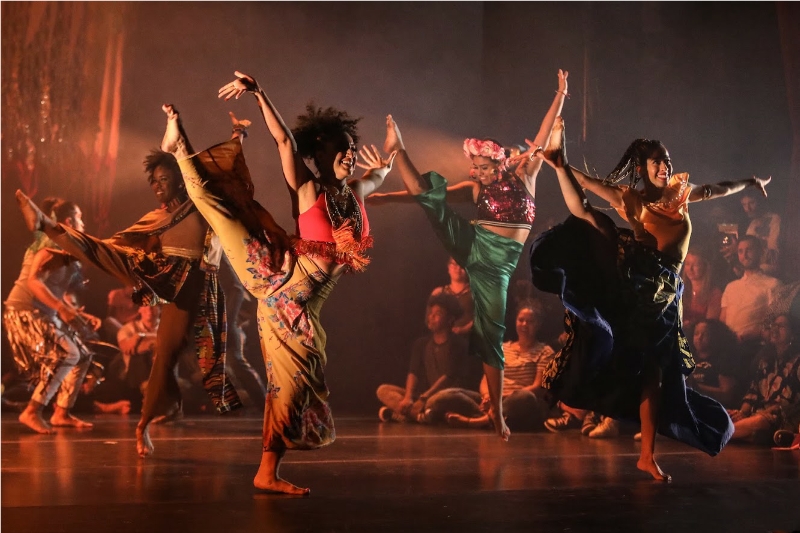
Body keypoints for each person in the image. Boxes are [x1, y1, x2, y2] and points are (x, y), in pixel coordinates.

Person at [161, 70, 394, 494]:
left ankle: (267, 471)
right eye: (342, 148)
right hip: (280, 281)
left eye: (352, 148)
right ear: (321, 153)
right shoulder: (307, 189)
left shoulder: (357, 191)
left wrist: (388, 164)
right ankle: (179, 149)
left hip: (310, 304)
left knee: (298, 384)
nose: (350, 154)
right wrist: (259, 93)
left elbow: (378, 176)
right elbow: (284, 141)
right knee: (225, 211)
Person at [530, 116, 770, 480]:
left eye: (667, 161)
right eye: (657, 161)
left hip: (668, 297)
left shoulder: (681, 194)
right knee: (593, 220)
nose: (665, 167)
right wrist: (560, 164)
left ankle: (646, 456)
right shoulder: (632, 200)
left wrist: (750, 182)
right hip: (639, 289)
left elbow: (718, 188)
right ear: (642, 168)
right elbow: (589, 185)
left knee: (656, 376)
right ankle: (620, 432)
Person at [371, 69, 570, 441]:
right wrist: (386, 198)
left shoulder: (526, 174)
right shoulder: (476, 189)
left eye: (482, 167)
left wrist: (560, 94)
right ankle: (398, 148)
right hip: (474, 245)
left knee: (491, 337)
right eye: (474, 167)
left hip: (495, 270)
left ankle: (496, 414)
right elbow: (429, 196)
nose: (476, 172)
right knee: (431, 200)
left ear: (499, 163)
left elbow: (542, 136)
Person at [16, 149, 241, 457]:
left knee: (168, 356)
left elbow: (212, 170)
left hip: (195, 287)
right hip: (164, 278)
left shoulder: (203, 206)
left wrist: (230, 135)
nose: (158, 186)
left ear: (181, 180)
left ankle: (168, 407)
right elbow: (113, 245)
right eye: (154, 181)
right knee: (110, 252)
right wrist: (67, 255)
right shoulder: (156, 218)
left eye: (165, 179)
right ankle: (45, 224)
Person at [4, 199, 101, 433]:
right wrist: (62, 308)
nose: (83, 223)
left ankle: (61, 413)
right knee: (67, 354)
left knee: (82, 356)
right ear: (69, 221)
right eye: (80, 218)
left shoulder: (65, 249)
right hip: (25, 311)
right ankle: (32, 411)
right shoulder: (48, 247)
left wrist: (77, 313)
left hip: (44, 312)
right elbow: (34, 282)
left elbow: (55, 289)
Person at [436, 301, 554, 432]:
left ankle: (478, 421)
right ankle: (491, 418)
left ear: (538, 324)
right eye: (521, 320)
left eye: (530, 321)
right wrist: (487, 396)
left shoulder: (545, 351)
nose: (524, 324)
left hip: (517, 402)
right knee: (449, 395)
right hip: (493, 399)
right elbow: (487, 378)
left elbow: (538, 388)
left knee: (526, 397)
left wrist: (500, 398)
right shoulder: (502, 348)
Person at [376, 293, 469, 422]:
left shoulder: (459, 344)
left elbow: (449, 377)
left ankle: (403, 415)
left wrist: (424, 398)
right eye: (431, 313)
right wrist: (408, 397)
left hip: (446, 395)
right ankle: (418, 416)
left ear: (450, 319)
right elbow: (413, 372)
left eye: (437, 314)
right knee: (383, 390)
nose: (431, 317)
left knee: (440, 399)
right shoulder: (421, 344)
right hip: (424, 396)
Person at [729, 314, 800, 444]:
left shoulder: (797, 362)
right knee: (729, 414)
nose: (775, 329)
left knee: (760, 421)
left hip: (783, 417)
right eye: (774, 325)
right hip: (757, 414)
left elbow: (790, 404)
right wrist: (742, 412)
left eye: (781, 326)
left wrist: (763, 413)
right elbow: (753, 391)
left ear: (793, 333)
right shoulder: (765, 360)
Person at [720, 235, 782, 349]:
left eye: (749, 250)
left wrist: (754, 333)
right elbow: (722, 320)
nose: (744, 255)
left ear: (760, 252)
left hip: (754, 345)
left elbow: (775, 321)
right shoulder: (731, 287)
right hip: (727, 345)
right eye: (740, 251)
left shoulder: (773, 284)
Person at [686, 319, 742, 408]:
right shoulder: (687, 357)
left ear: (716, 336)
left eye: (705, 334)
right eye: (696, 333)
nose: (699, 337)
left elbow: (726, 394)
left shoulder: (723, 359)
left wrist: (694, 387)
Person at [740, 189, 781, 275]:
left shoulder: (774, 220)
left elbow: (774, 254)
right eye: (744, 205)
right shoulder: (752, 224)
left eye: (752, 203)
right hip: (753, 273)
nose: (748, 208)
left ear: (760, 201)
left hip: (769, 274)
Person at [681, 250, 723, 332]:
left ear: (705, 267)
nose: (690, 269)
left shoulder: (714, 294)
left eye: (695, 265)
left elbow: (710, 324)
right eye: (687, 264)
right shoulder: (680, 290)